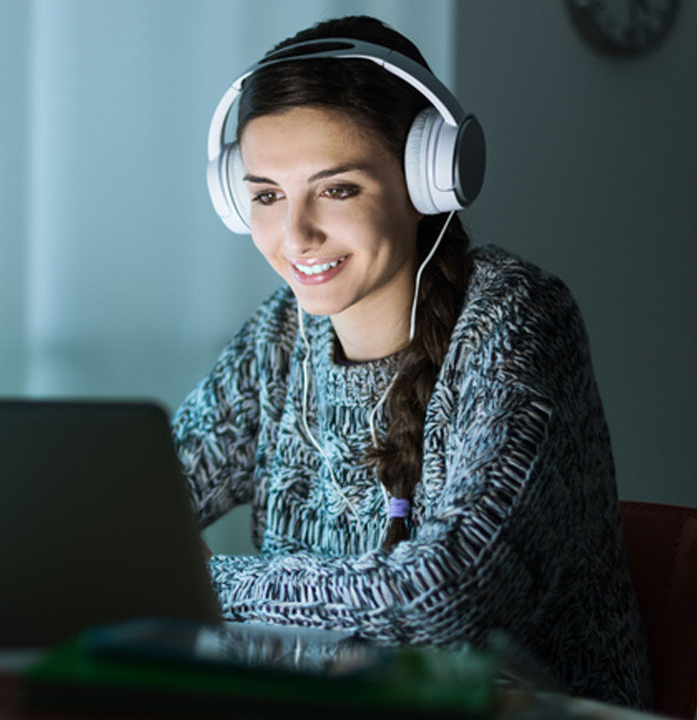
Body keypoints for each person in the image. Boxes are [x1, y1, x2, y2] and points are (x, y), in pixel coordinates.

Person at [172, 15, 651, 709]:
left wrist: (193, 580)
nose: (294, 234)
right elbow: (134, 507)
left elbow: (442, 598)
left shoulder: (516, 319)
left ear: (429, 179)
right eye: (267, 195)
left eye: (337, 189)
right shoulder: (278, 338)